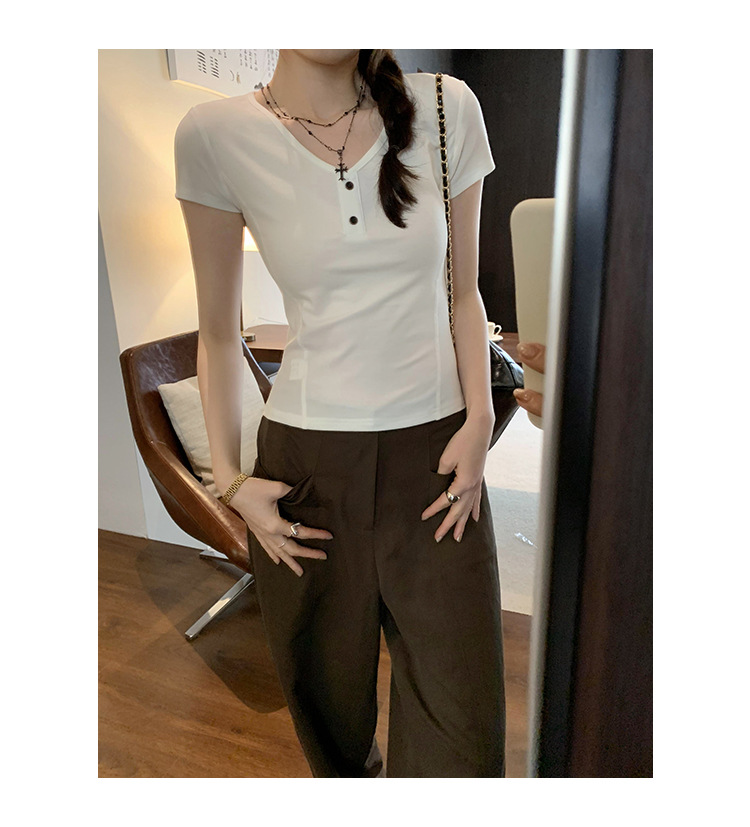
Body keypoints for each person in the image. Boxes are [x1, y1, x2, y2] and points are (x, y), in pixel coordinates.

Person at [174, 49, 506, 778]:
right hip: (307, 470)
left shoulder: (446, 107)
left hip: (437, 459)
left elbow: (463, 294)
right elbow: (219, 333)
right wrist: (229, 481)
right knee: (328, 710)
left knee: (463, 722)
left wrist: (480, 419)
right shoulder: (212, 134)